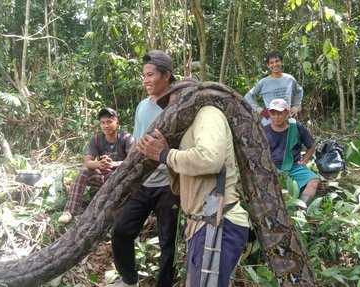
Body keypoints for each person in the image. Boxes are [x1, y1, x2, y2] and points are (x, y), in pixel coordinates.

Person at [138, 78, 250, 287]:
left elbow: (210, 159)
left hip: (219, 222)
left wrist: (165, 154)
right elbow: (182, 188)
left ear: (190, 97)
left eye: (174, 103)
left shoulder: (207, 114)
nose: (172, 111)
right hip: (202, 224)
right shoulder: (190, 130)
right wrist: (168, 155)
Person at [106, 50, 180, 287]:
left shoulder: (179, 105)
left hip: (169, 184)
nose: (146, 80)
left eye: (150, 75)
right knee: (121, 231)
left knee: (168, 243)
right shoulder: (141, 107)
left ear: (166, 75)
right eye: (144, 76)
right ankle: (129, 280)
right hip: (144, 182)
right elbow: (137, 143)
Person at [58, 107, 134, 224]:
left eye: (109, 122)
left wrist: (113, 164)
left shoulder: (126, 138)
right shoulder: (97, 139)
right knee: (84, 171)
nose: (106, 125)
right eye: (103, 123)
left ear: (117, 123)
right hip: (103, 176)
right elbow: (87, 162)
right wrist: (99, 164)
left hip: (121, 179)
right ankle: (69, 211)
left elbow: (132, 160)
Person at [264, 98, 320, 206]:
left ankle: (301, 210)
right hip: (272, 168)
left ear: (287, 113)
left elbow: (311, 144)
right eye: (273, 113)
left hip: (294, 167)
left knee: (314, 181)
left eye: (279, 113)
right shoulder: (263, 131)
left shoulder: (296, 127)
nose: (276, 116)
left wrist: (304, 161)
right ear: (269, 114)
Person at [244, 50, 303, 125]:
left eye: (277, 61)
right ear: (268, 65)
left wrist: (296, 107)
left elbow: (299, 91)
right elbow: (247, 96)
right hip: (269, 124)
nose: (275, 64)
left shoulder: (290, 79)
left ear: (282, 62)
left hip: (287, 122)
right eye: (271, 62)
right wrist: (260, 110)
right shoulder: (263, 82)